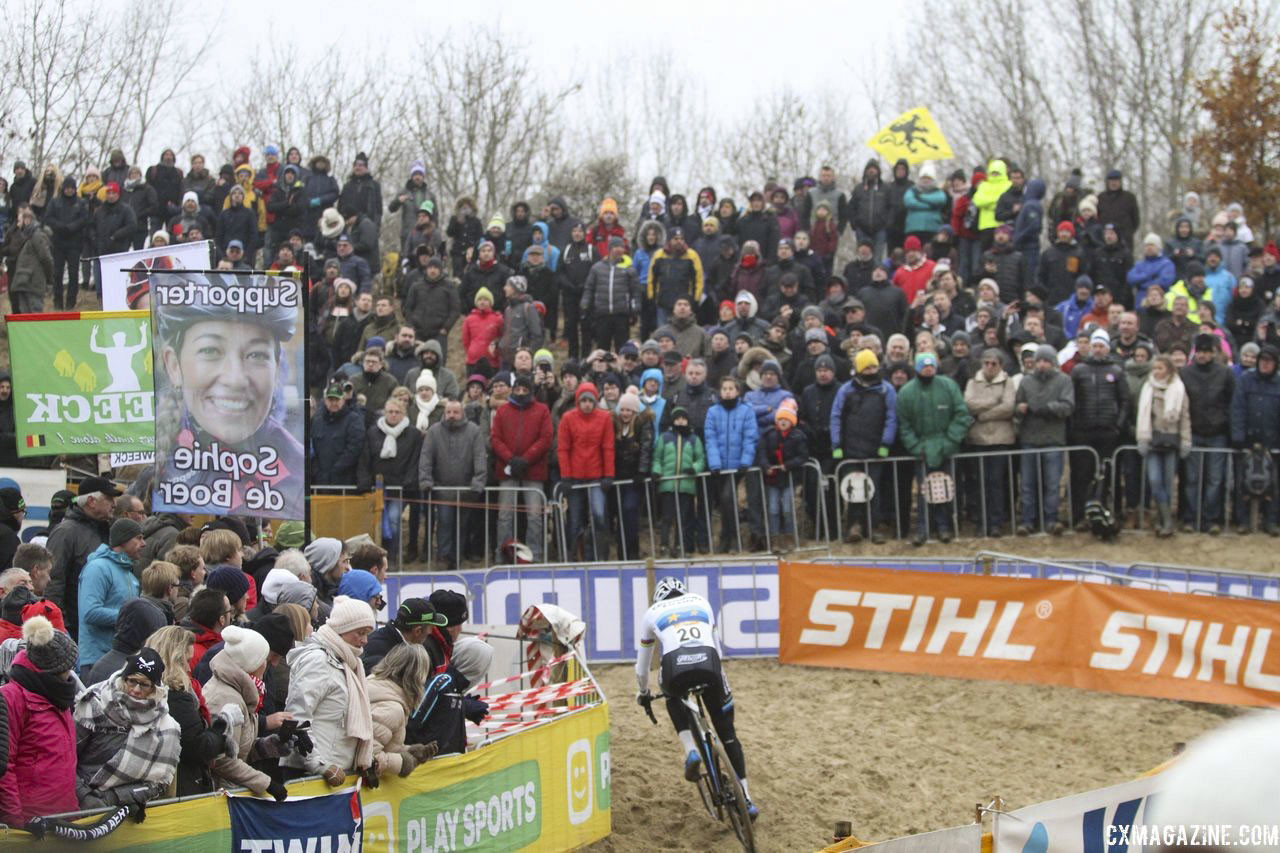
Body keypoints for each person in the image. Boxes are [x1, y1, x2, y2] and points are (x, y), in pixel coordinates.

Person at [154, 273, 305, 514]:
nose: (235, 379)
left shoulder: (297, 476)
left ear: (277, 368)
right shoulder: (153, 466)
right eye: (210, 350)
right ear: (173, 366)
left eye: (256, 355)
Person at [636, 577, 758, 819]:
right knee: (728, 734)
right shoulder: (701, 602)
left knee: (671, 692)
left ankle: (691, 749)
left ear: (658, 598)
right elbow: (717, 649)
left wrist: (643, 693)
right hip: (709, 663)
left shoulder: (652, 613)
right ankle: (746, 798)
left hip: (675, 669)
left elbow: (642, 667)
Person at [284, 596, 377, 785]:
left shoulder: (352, 664)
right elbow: (296, 715)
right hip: (310, 776)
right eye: (360, 632)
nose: (365, 640)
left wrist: (367, 760)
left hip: (337, 775)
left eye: (368, 633)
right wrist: (319, 766)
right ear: (342, 629)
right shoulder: (318, 660)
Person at [73, 648, 181, 808]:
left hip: (125, 810)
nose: (136, 689)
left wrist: (114, 798)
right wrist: (84, 794)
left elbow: (157, 784)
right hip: (78, 802)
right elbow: (65, 756)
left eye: (144, 685)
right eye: (132, 681)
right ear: (124, 678)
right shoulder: (95, 703)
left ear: (155, 688)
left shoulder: (166, 727)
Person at [0, 615, 81, 823]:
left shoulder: (57, 694)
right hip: (30, 823)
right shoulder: (12, 698)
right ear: (54, 671)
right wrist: (14, 821)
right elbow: (4, 766)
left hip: (64, 816)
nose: (71, 673)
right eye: (67, 667)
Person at [202, 626, 290, 800]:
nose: (267, 664)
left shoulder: (243, 691)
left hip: (233, 792)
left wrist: (269, 746)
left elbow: (239, 747)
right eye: (264, 659)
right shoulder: (226, 697)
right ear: (253, 665)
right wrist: (266, 783)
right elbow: (221, 760)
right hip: (222, 796)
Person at [896, 352, 972, 545]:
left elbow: (961, 415)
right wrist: (915, 446)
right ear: (917, 369)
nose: (928, 370)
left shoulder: (948, 386)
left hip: (945, 446)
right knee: (924, 490)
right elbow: (904, 425)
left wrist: (950, 442)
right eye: (924, 367)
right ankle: (923, 528)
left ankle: (944, 527)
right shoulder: (906, 392)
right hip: (922, 449)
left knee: (945, 488)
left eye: (931, 366)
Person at [46, 475, 118, 641]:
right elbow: (53, 582)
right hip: (74, 630)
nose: (114, 504)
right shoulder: (65, 532)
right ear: (92, 501)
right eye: (109, 499)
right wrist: (60, 628)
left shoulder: (106, 530)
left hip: (100, 628)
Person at [491, 373, 553, 562]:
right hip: (508, 468)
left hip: (533, 470)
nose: (520, 392)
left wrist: (526, 459)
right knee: (505, 515)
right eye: (517, 389)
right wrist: (510, 459)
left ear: (531, 391)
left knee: (534, 515)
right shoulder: (503, 411)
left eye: (525, 390)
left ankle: (536, 555)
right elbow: (495, 438)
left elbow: (546, 438)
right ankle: (503, 554)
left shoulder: (542, 410)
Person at [1014, 345, 1075, 535]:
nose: (1041, 364)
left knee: (1052, 484)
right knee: (1027, 484)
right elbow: (1016, 406)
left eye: (1046, 361)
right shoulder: (1026, 381)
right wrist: (1020, 409)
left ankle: (1051, 519)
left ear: (1053, 362)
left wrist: (1049, 408)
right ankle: (1027, 521)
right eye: (1039, 361)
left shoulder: (1064, 381)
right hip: (1029, 438)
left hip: (1053, 439)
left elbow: (1068, 406)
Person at [1180, 334, 1235, 534]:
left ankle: (1211, 519)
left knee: (1215, 479)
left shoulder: (1225, 374)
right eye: (1200, 351)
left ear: (1214, 352)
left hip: (1218, 432)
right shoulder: (1185, 373)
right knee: (1192, 479)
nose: (1202, 355)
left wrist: (1227, 425)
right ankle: (1190, 518)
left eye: (1206, 351)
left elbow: (1231, 401)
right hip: (1193, 431)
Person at [77, 519, 144, 678]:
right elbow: (90, 612)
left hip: (121, 659)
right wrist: (131, 618)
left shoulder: (129, 574)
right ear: (123, 540)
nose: (144, 543)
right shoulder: (98, 568)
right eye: (139, 538)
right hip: (97, 659)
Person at [357, 397, 422, 559]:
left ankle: (392, 556)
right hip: (377, 488)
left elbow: (415, 460)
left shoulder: (413, 434)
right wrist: (365, 482)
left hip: (400, 489)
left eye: (397, 412)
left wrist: (408, 482)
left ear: (403, 413)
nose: (393, 415)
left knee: (393, 519)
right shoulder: (373, 432)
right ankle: (375, 557)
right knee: (376, 522)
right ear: (384, 413)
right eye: (390, 412)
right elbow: (365, 459)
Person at [558, 383, 616, 561]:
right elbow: (563, 448)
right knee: (575, 519)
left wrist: (609, 474)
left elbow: (608, 447)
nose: (587, 404)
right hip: (575, 477)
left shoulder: (605, 418)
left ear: (595, 402)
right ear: (578, 402)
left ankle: (600, 555)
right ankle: (572, 555)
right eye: (583, 400)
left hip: (597, 476)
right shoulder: (567, 418)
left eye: (590, 401)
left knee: (598, 515)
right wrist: (565, 476)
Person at [1137, 355, 1191, 537]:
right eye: (1154, 369)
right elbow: (1142, 415)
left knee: (1168, 483)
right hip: (1153, 440)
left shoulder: (1178, 388)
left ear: (1168, 369)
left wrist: (1186, 441)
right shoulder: (1148, 388)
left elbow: (1184, 417)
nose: (1156, 372)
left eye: (1160, 368)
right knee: (1154, 480)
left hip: (1171, 440)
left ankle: (1165, 521)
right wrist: (1142, 438)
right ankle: (1164, 516)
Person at [367, 644, 440, 778]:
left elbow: (384, 744)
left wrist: (411, 751)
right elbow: (369, 758)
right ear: (418, 676)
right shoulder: (392, 708)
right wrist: (404, 762)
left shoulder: (378, 686)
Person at [704, 376, 759, 552]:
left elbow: (750, 437)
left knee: (728, 498)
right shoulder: (713, 411)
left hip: (738, 465)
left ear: (737, 391)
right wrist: (715, 464)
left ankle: (731, 537)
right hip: (720, 466)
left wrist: (745, 461)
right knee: (725, 501)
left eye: (731, 388)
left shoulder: (746, 411)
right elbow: (710, 439)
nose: (727, 392)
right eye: (724, 388)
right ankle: (727, 537)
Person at [1230, 345, 1280, 535]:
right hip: (1247, 441)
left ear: (1275, 364)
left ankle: (1271, 521)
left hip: (1272, 442)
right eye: (1263, 360)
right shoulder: (1245, 380)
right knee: (1242, 482)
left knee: (1274, 484)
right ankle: (1242, 521)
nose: (1265, 364)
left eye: (1269, 361)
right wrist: (1238, 436)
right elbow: (1238, 409)